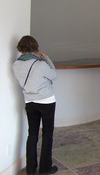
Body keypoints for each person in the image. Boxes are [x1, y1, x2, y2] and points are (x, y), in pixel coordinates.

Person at [12, 36, 58, 175]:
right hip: (46, 101)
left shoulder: (15, 65)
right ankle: (45, 169)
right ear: (35, 48)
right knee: (47, 134)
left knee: (32, 134)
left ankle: (30, 169)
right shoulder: (41, 64)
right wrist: (46, 58)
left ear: (21, 48)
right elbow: (54, 74)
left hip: (29, 102)